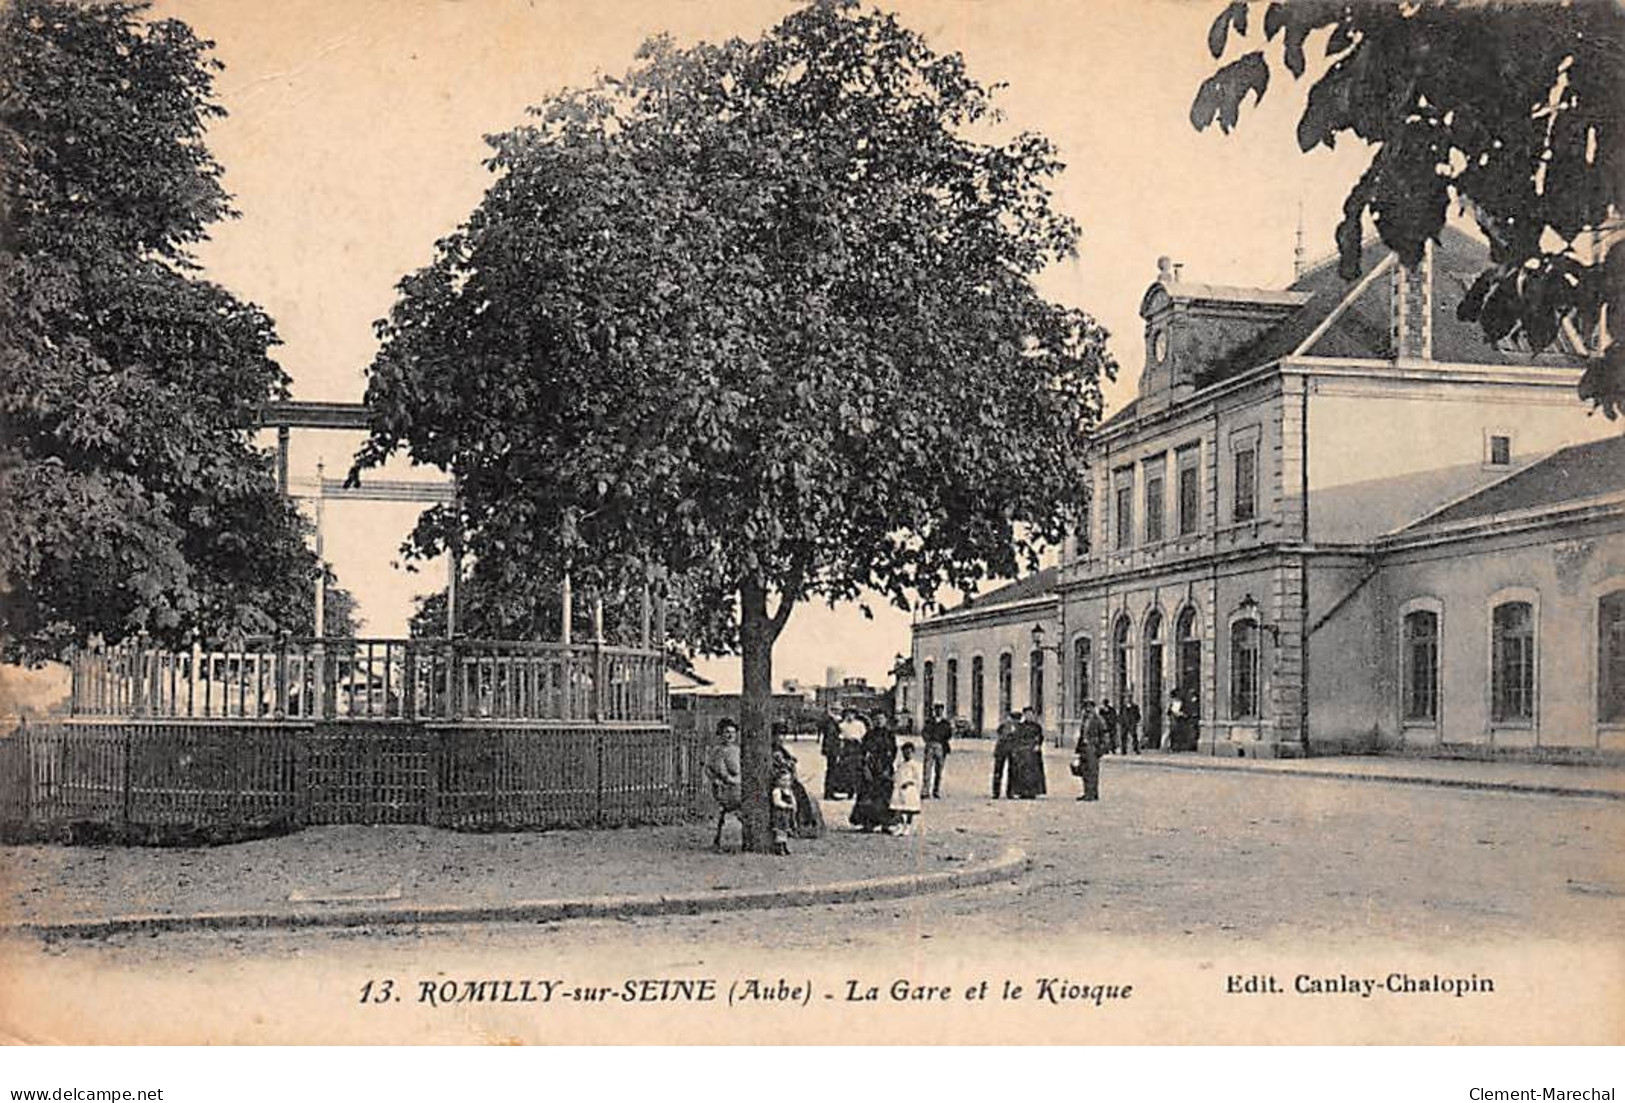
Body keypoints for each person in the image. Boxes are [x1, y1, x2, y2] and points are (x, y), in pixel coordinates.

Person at [849, 714, 899, 832]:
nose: (878, 722)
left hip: (885, 766)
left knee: (885, 796)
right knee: (868, 795)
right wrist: (866, 766)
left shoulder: (889, 735)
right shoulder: (869, 734)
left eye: (881, 719)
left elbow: (893, 751)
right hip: (871, 767)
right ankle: (868, 823)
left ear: (885, 720)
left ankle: (886, 823)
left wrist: (888, 764)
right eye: (876, 719)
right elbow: (863, 750)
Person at [773, 737, 826, 839]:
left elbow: (791, 761)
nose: (779, 739)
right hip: (780, 780)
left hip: (788, 778)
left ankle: (805, 823)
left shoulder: (781, 750)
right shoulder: (774, 752)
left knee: (800, 793)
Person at [705, 719, 743, 850]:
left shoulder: (738, 750)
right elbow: (713, 769)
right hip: (725, 788)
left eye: (733, 732)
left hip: (739, 785)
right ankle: (720, 840)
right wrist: (721, 779)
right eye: (727, 732)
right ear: (720, 734)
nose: (730, 735)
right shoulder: (717, 751)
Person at [825, 709, 867, 799]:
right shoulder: (842, 725)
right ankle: (847, 790)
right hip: (847, 747)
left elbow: (864, 735)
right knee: (846, 769)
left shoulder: (860, 724)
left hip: (857, 747)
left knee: (856, 769)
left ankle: (855, 790)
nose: (850, 716)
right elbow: (840, 736)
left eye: (852, 714)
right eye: (848, 714)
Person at [1008, 706, 1047, 799]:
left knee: (1034, 772)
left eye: (1031, 714)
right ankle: (1023, 791)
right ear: (1024, 715)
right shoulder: (1021, 726)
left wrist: (1038, 745)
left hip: (1033, 752)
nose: (1029, 716)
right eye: (1027, 714)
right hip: (1023, 751)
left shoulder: (1037, 727)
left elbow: (1040, 737)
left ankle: (1033, 791)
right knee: (1022, 772)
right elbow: (1017, 738)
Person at [1073, 701, 1106, 801]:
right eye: (1086, 708)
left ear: (1093, 708)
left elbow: (1104, 735)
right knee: (1084, 771)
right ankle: (1087, 792)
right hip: (1084, 747)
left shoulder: (1098, 720)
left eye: (1089, 708)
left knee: (1092, 771)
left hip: (1093, 747)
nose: (1087, 710)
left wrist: (1101, 749)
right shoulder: (1085, 719)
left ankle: (1092, 793)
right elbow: (1082, 734)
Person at [890, 741, 922, 835]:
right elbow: (897, 775)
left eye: (909, 752)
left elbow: (917, 778)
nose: (906, 754)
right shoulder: (901, 764)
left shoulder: (915, 765)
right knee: (898, 808)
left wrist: (909, 782)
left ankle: (908, 826)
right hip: (900, 788)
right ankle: (900, 825)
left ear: (913, 752)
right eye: (904, 752)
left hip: (909, 788)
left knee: (909, 809)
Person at [921, 704, 953, 799]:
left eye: (940, 710)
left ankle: (936, 790)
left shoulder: (945, 723)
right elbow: (924, 732)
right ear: (934, 711)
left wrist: (943, 741)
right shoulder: (929, 722)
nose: (939, 711)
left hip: (941, 747)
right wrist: (928, 740)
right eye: (937, 709)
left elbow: (949, 734)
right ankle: (925, 791)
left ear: (942, 711)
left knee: (939, 771)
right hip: (930, 746)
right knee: (927, 770)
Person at [990, 711, 1020, 798]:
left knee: (1012, 772)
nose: (1015, 722)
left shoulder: (1018, 727)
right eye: (1014, 720)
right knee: (998, 771)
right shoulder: (1004, 726)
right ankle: (996, 792)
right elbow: (1001, 735)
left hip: (1012, 752)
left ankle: (1010, 792)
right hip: (1001, 751)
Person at [770, 766, 796, 856]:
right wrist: (786, 805)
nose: (786, 783)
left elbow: (792, 799)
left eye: (788, 780)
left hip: (787, 814)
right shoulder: (777, 791)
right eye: (783, 780)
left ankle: (785, 846)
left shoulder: (788, 791)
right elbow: (777, 802)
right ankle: (779, 847)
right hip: (780, 813)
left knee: (786, 830)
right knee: (780, 830)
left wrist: (793, 805)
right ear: (778, 781)